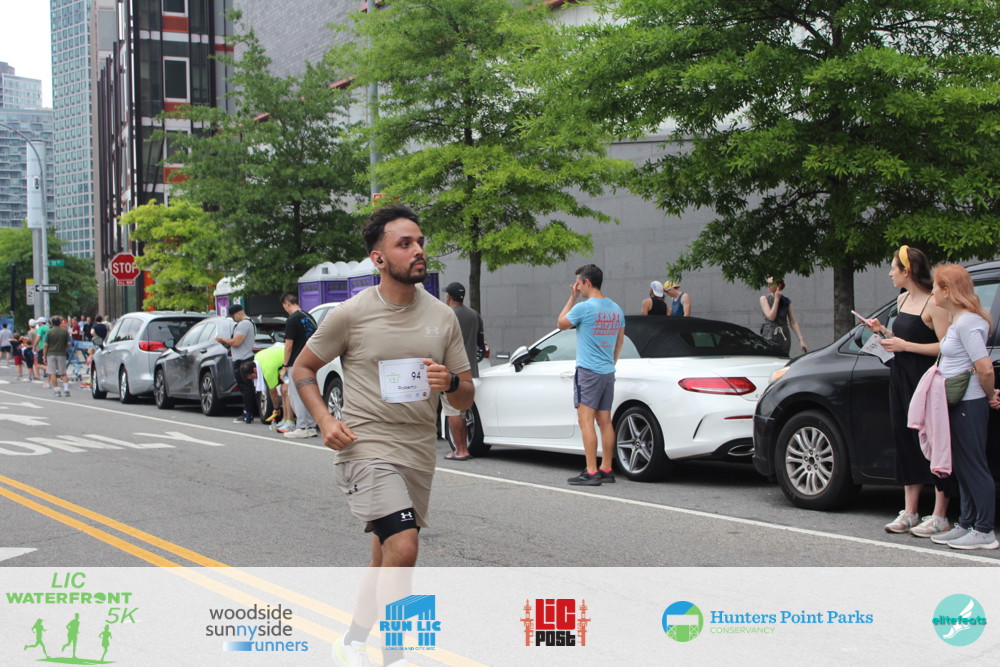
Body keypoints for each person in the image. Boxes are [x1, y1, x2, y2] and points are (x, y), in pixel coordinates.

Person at [292, 204, 472, 667]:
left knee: (386, 556)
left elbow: (466, 396)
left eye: (420, 242)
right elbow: (303, 368)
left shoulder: (442, 317)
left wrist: (451, 382)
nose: (418, 251)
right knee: (405, 545)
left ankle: (350, 643)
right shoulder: (351, 314)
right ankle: (395, 656)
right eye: (404, 244)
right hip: (365, 446)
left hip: (418, 451)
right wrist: (324, 420)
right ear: (378, 258)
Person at [866, 247, 953, 537]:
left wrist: (905, 346)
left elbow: (945, 346)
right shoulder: (902, 299)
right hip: (900, 377)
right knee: (903, 438)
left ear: (907, 271)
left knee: (933, 441)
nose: (890, 273)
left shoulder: (934, 302)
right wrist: (883, 332)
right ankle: (910, 511)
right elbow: (901, 339)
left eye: (893, 268)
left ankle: (940, 514)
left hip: (925, 381)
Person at [925, 264, 1000, 550]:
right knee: (963, 466)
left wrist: (990, 394)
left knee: (974, 465)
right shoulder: (960, 320)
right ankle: (967, 523)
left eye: (935, 287)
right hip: (958, 402)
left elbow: (984, 367)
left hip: (968, 401)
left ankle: (984, 530)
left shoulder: (967, 322)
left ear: (947, 291)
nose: (932, 292)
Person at [557, 264, 625, 486]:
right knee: (605, 421)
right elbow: (619, 341)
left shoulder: (584, 308)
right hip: (607, 372)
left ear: (587, 282)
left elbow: (561, 323)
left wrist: (572, 298)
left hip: (588, 372)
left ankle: (591, 471)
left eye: (578, 283)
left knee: (585, 421)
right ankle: (606, 468)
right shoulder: (616, 309)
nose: (577, 287)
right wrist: (610, 364)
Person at [442, 281, 485, 460]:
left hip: (452, 371)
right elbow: (481, 344)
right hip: (471, 370)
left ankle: (461, 450)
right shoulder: (475, 315)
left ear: (448, 296)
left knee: (453, 410)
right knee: (465, 409)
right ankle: (465, 446)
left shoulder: (446, 315)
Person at [280, 292, 319, 439]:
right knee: (309, 393)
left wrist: (284, 366)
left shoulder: (292, 319)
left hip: (296, 362)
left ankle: (303, 426)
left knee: (296, 394)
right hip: (311, 360)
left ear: (287, 303)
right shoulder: (309, 317)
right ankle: (311, 426)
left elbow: (288, 345)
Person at [215, 304, 257, 424]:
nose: (234, 319)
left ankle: (247, 413)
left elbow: (237, 342)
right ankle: (248, 412)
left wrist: (223, 340)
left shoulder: (244, 324)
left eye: (233, 316)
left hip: (242, 359)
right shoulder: (251, 323)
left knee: (245, 387)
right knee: (247, 387)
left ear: (238, 313)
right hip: (244, 357)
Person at [759, 277, 807, 355]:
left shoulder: (786, 301)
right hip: (769, 335)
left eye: (771, 284)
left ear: (778, 285)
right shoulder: (764, 299)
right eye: (768, 284)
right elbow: (771, 317)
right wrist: (776, 300)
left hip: (783, 336)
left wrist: (801, 339)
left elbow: (793, 322)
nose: (768, 286)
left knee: (784, 357)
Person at [44, 316, 71, 397]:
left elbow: (45, 345)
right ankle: (66, 390)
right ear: (60, 322)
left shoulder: (49, 332)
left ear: (51, 323)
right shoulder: (65, 331)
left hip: (50, 354)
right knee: (63, 373)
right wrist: (64, 346)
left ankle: (57, 390)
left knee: (52, 373)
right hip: (61, 353)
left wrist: (44, 356)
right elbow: (69, 343)